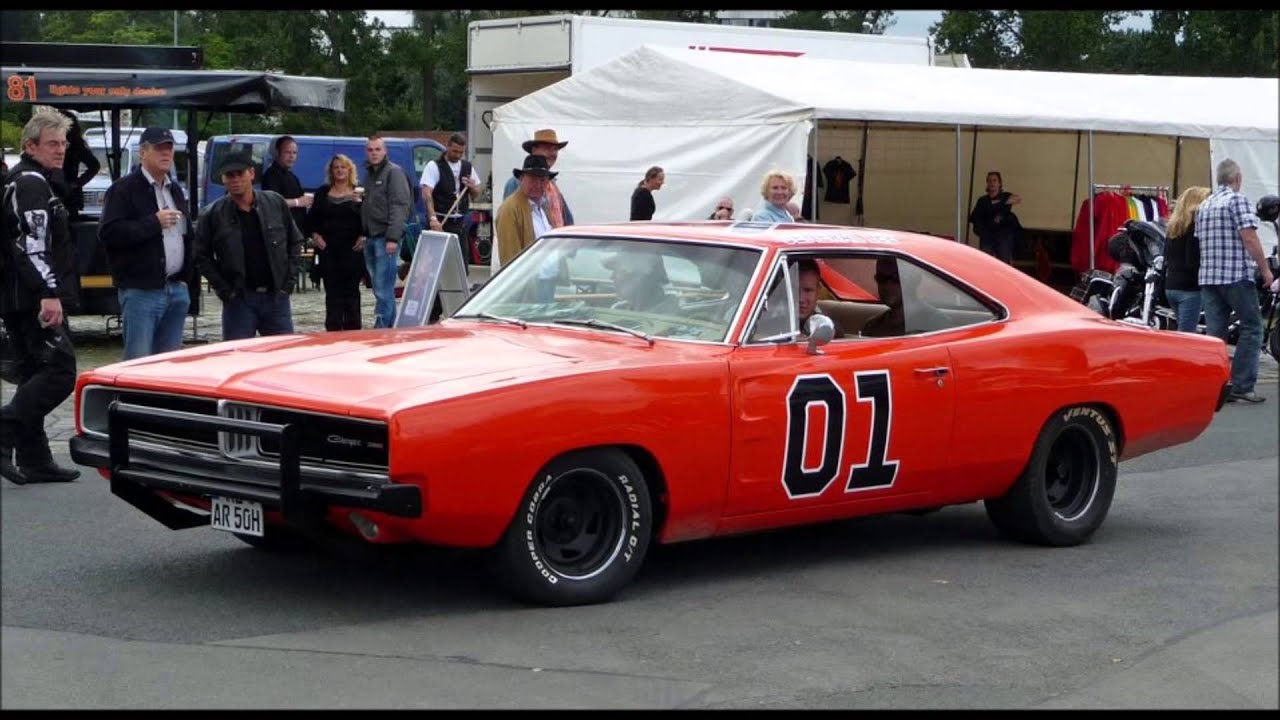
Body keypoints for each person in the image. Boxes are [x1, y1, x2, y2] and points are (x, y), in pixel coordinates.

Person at [0, 109, 80, 484]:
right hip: (30, 296)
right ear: (30, 146)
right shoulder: (30, 183)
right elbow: (31, 244)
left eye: (63, 143)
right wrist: (49, 292)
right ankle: (5, 429)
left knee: (33, 371)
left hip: (18, 294)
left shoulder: (29, 181)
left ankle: (35, 458)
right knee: (60, 372)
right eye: (52, 143)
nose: (60, 150)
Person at [99, 127, 195, 360]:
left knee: (168, 366)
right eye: (159, 148)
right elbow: (109, 233)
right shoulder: (123, 189)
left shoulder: (175, 190)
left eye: (169, 148)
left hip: (176, 289)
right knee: (138, 362)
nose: (166, 153)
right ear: (143, 152)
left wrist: (186, 280)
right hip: (141, 292)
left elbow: (187, 235)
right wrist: (153, 223)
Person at [194, 151, 305, 340]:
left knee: (282, 352)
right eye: (230, 175)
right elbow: (200, 255)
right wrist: (225, 290)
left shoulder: (275, 202)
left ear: (251, 173)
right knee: (238, 354)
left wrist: (288, 283)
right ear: (223, 179)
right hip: (239, 300)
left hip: (276, 297)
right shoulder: (212, 214)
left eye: (240, 173)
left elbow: (295, 241)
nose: (235, 179)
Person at [1195, 158, 1274, 404]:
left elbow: (1200, 241)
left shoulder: (1205, 205)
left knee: (1215, 334)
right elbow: (1249, 237)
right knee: (1252, 327)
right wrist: (1265, 270)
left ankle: (1216, 385)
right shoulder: (1236, 200)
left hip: (1209, 277)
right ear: (1237, 178)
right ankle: (1242, 384)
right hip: (1235, 275)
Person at [304, 154, 366, 331]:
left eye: (343, 167)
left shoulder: (358, 193)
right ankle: (333, 332)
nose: (339, 170)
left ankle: (353, 331)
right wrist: (315, 235)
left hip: (352, 250)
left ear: (350, 170)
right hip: (328, 250)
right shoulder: (323, 193)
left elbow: (368, 219)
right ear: (331, 171)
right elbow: (311, 221)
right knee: (332, 293)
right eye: (336, 167)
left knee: (351, 293)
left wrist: (364, 236)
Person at [359, 135, 413, 328]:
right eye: (370, 150)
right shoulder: (370, 175)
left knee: (384, 287)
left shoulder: (393, 172)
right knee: (379, 287)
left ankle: (382, 327)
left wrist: (393, 237)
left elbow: (399, 206)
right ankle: (389, 327)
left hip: (385, 238)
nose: (374, 153)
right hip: (371, 237)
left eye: (377, 149)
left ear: (385, 151)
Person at [422, 132, 481, 266]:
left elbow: (476, 194)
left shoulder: (467, 167)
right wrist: (433, 219)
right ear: (447, 146)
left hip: (459, 224)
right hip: (441, 222)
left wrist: (472, 187)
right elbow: (426, 194)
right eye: (455, 151)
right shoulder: (434, 166)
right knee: (436, 265)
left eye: (461, 152)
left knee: (460, 265)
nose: (458, 155)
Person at [494, 155, 557, 273]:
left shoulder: (544, 207)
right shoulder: (510, 209)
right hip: (531, 280)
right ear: (521, 179)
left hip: (549, 277)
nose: (538, 185)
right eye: (533, 179)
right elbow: (510, 259)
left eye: (542, 180)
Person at [1162, 186, 1212, 333]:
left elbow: (1166, 256)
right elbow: (1192, 260)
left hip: (1171, 285)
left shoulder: (1173, 226)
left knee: (1182, 330)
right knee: (1186, 334)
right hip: (1190, 288)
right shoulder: (1195, 226)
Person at [860, 258, 949, 338]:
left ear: (915, 280)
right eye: (881, 278)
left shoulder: (938, 324)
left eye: (896, 278)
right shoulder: (871, 326)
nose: (887, 286)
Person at [504, 128, 574, 227]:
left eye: (555, 149)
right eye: (547, 148)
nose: (552, 153)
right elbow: (512, 222)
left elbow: (568, 221)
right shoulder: (516, 183)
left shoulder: (552, 185)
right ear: (534, 150)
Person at [260, 135, 312, 233]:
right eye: (287, 152)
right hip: (281, 232)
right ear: (277, 153)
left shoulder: (292, 176)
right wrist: (297, 202)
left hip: (296, 232)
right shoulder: (271, 175)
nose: (291, 156)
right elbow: (272, 202)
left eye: (294, 153)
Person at [969, 171, 1022, 264]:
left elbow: (1017, 198)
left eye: (994, 180)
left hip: (1003, 236)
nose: (992, 183)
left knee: (1003, 263)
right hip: (987, 236)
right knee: (986, 262)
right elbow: (975, 217)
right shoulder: (982, 200)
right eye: (989, 181)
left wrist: (998, 203)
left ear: (999, 183)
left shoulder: (1005, 196)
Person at [56, 109, 100, 219]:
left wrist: (76, 183)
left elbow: (94, 165)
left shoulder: (76, 145)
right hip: (58, 189)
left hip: (69, 193)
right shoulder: (76, 145)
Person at [794, 258, 843, 338]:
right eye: (794, 290)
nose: (800, 299)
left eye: (808, 291)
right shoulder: (773, 323)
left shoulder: (827, 326)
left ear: (818, 292)